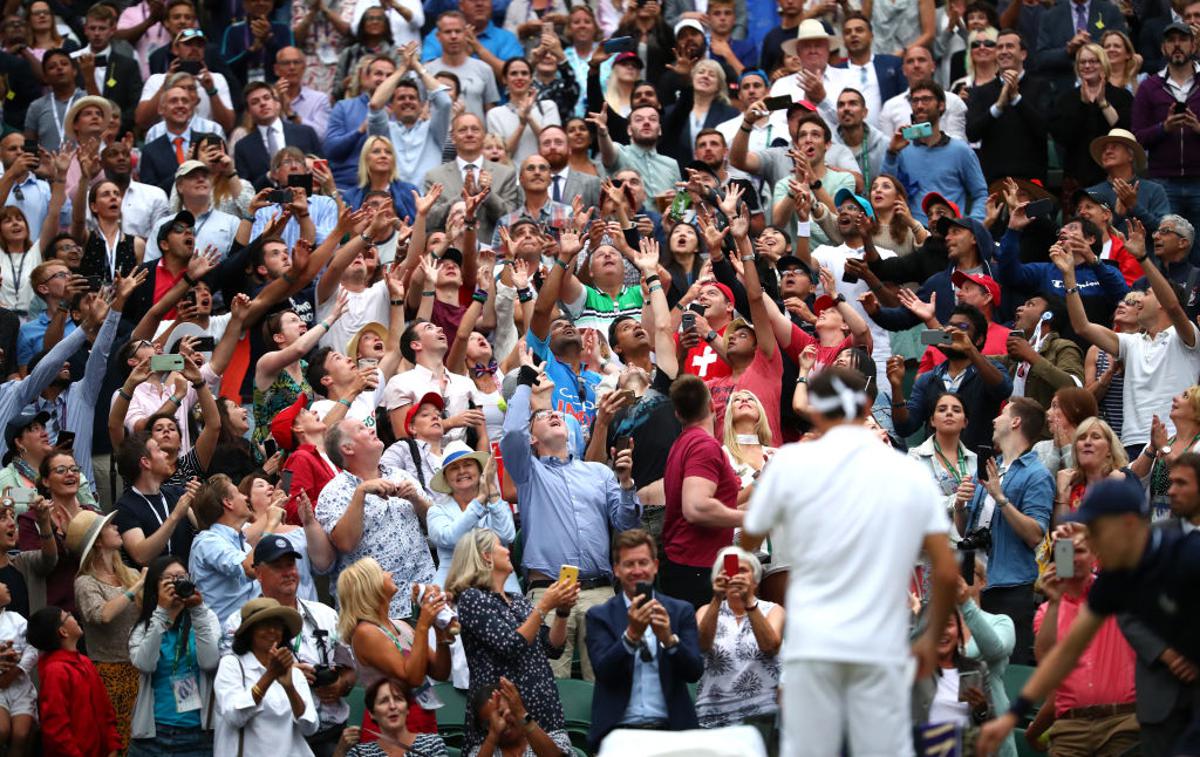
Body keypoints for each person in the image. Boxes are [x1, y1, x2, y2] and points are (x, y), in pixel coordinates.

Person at [743, 367, 959, 756]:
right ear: (864, 406)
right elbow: (945, 569)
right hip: (880, 647)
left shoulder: (790, 465)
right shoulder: (906, 470)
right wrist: (930, 638)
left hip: (813, 646)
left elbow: (746, 543)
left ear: (813, 410)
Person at [974, 477, 1200, 754]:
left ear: (1128, 524)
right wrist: (1011, 716)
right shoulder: (1114, 581)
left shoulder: (1188, 555)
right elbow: (1066, 652)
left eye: (1095, 529)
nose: (1090, 540)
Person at [500, 357, 641, 680]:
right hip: (549, 592)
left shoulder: (599, 473)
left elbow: (627, 525)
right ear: (532, 439)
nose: (553, 413)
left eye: (557, 414)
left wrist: (626, 484)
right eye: (540, 417)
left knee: (610, 685)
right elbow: (510, 436)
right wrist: (524, 385)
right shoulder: (527, 473)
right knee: (551, 689)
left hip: (601, 593)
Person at [1056, 219, 1200, 459]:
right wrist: (1069, 276)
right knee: (1134, 497)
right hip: (1131, 442)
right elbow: (1082, 327)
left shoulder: (1187, 336)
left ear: (1163, 304)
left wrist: (1143, 259)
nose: (1139, 300)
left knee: (1166, 495)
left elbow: (1174, 307)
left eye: (1148, 294)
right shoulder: (1131, 342)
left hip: (1175, 440)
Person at [446, 528, 578, 753]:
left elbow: (552, 647)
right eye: (500, 545)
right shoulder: (472, 598)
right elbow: (510, 645)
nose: (508, 550)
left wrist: (563, 613)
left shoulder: (519, 600)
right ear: (486, 555)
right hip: (502, 712)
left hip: (541, 709)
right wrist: (544, 605)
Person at [227, 535, 354, 757]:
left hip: (330, 733)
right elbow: (234, 687)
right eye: (278, 567)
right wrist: (286, 673)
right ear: (258, 573)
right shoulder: (238, 624)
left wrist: (340, 684)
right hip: (276, 740)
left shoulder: (325, 614)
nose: (289, 572)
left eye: (291, 564)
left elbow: (351, 670)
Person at [584, 528, 703, 747]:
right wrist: (631, 636)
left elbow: (694, 671)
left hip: (672, 731)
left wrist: (669, 639)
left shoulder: (680, 611)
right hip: (619, 734)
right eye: (629, 564)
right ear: (616, 570)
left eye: (643, 563)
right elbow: (604, 672)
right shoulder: (599, 616)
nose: (637, 571)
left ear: (655, 566)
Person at [959, 398, 1054, 665]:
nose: (994, 419)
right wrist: (959, 507)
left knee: (1009, 667)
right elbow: (966, 529)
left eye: (1002, 414)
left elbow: (1035, 534)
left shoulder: (1037, 474)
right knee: (970, 666)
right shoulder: (992, 466)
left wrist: (1001, 498)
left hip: (1009, 587)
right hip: (973, 582)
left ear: (1015, 422)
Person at [1118, 453, 1200, 757]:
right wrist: (1167, 654)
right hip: (1159, 695)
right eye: (1171, 482)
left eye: (1182, 483)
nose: (1172, 490)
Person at [1031, 530, 1138, 755]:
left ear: (1095, 554)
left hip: (1120, 722)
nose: (1072, 558)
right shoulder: (1046, 610)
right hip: (1070, 726)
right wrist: (1055, 601)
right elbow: (1046, 660)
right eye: (1064, 551)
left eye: (1079, 550)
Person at [317, 419, 435, 619]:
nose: (372, 428)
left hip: (425, 599)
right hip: (377, 611)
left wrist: (416, 499)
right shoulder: (334, 491)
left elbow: (436, 524)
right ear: (347, 448)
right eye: (361, 428)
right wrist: (360, 493)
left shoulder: (400, 474)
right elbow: (345, 543)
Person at [335, 557, 449, 739]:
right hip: (391, 727)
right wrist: (423, 624)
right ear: (370, 586)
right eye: (382, 571)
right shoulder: (366, 633)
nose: (391, 573)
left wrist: (438, 626)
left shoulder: (401, 626)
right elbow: (413, 679)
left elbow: (441, 672)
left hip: (422, 716)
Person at [126, 554, 221, 756]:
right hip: (153, 735)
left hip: (197, 736)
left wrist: (198, 611)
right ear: (155, 586)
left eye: (181, 577)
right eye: (169, 579)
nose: (177, 583)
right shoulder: (143, 628)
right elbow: (145, 665)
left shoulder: (205, 617)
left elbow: (210, 662)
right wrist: (161, 612)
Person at [661, 375, 742, 608]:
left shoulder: (683, 443)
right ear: (711, 406)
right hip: (697, 569)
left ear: (677, 414)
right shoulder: (703, 446)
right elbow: (696, 508)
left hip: (691, 565)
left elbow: (716, 503)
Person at [71, 510, 146, 749]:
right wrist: (138, 587)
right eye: (109, 527)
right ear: (98, 541)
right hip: (108, 672)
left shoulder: (130, 573)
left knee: (142, 737)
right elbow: (102, 615)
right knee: (116, 741)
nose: (116, 528)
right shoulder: (85, 582)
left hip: (141, 667)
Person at [695, 547, 783, 738]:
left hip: (761, 717)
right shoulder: (706, 611)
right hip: (713, 717)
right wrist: (717, 598)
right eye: (728, 572)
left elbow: (770, 645)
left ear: (756, 579)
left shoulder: (773, 610)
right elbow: (701, 644)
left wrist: (749, 602)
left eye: (743, 571)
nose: (736, 576)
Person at [215, 597, 319, 755]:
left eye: (277, 625)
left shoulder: (294, 673)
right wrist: (270, 675)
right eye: (264, 624)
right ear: (249, 631)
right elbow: (234, 717)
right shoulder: (231, 665)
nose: (272, 631)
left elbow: (309, 728)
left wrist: (289, 687)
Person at [881, 78, 988, 225]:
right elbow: (885, 189)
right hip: (912, 233)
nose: (919, 105)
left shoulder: (960, 150)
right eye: (915, 100)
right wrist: (891, 153)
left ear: (941, 105)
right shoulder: (902, 148)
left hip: (950, 233)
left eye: (926, 100)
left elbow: (980, 194)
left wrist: (971, 225)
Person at [27, 605, 122, 757]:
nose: (73, 616)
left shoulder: (85, 662)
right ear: (63, 632)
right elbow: (56, 729)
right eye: (68, 616)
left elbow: (105, 710)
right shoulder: (55, 671)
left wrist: (112, 745)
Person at [427, 443, 518, 593]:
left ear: (480, 471)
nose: (462, 471)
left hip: (500, 586)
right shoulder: (437, 510)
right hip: (453, 589)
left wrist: (491, 488)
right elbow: (448, 538)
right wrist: (480, 501)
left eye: (468, 465)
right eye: (454, 468)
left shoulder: (495, 503)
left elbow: (507, 536)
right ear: (446, 478)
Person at [1050, 44, 1133, 190]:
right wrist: (1083, 105)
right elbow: (1063, 137)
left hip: (1114, 176)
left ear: (1104, 64)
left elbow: (1124, 131)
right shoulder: (1066, 99)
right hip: (1077, 176)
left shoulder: (1122, 96)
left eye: (1094, 61)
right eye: (1083, 62)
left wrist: (1102, 103)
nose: (1087, 66)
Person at [113, 432, 201, 567]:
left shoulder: (177, 494)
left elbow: (205, 529)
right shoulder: (124, 508)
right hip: (152, 586)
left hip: (186, 583)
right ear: (145, 462)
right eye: (159, 450)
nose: (166, 454)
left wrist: (201, 501)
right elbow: (141, 556)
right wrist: (175, 516)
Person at [366, 51, 453, 186]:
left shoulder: (433, 130)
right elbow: (375, 104)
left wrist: (417, 66)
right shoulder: (383, 131)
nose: (407, 101)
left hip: (429, 200)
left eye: (412, 98)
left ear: (421, 105)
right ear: (392, 106)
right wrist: (403, 68)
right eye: (401, 98)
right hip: (391, 202)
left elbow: (445, 102)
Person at [187, 474, 259, 625]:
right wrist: (270, 524)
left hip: (250, 635)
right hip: (223, 641)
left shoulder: (245, 547)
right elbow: (249, 569)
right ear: (228, 503)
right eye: (239, 493)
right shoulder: (206, 542)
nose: (246, 497)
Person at [234, 83, 323, 185]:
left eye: (267, 98)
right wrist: (269, 176)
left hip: (307, 196)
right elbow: (245, 190)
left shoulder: (305, 133)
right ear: (248, 112)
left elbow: (322, 171)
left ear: (277, 103)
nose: (262, 103)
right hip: (266, 199)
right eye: (255, 102)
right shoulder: (243, 147)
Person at [909, 392, 978, 523]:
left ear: (965, 422)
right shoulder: (914, 458)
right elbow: (915, 502)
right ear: (932, 420)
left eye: (956, 410)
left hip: (967, 539)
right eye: (942, 409)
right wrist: (957, 500)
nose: (949, 413)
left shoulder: (976, 460)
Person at [338, 678, 449, 756]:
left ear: (408, 708)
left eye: (398, 699)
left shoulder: (431, 744)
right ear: (372, 713)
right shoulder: (361, 753)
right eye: (384, 701)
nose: (392, 706)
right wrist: (341, 750)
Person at [1035, 386, 1098, 476]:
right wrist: (1055, 450)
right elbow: (1040, 482)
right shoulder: (1040, 448)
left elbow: (1083, 480)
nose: (1048, 412)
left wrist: (1066, 447)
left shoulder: (1091, 446)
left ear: (1075, 409)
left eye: (1055, 406)